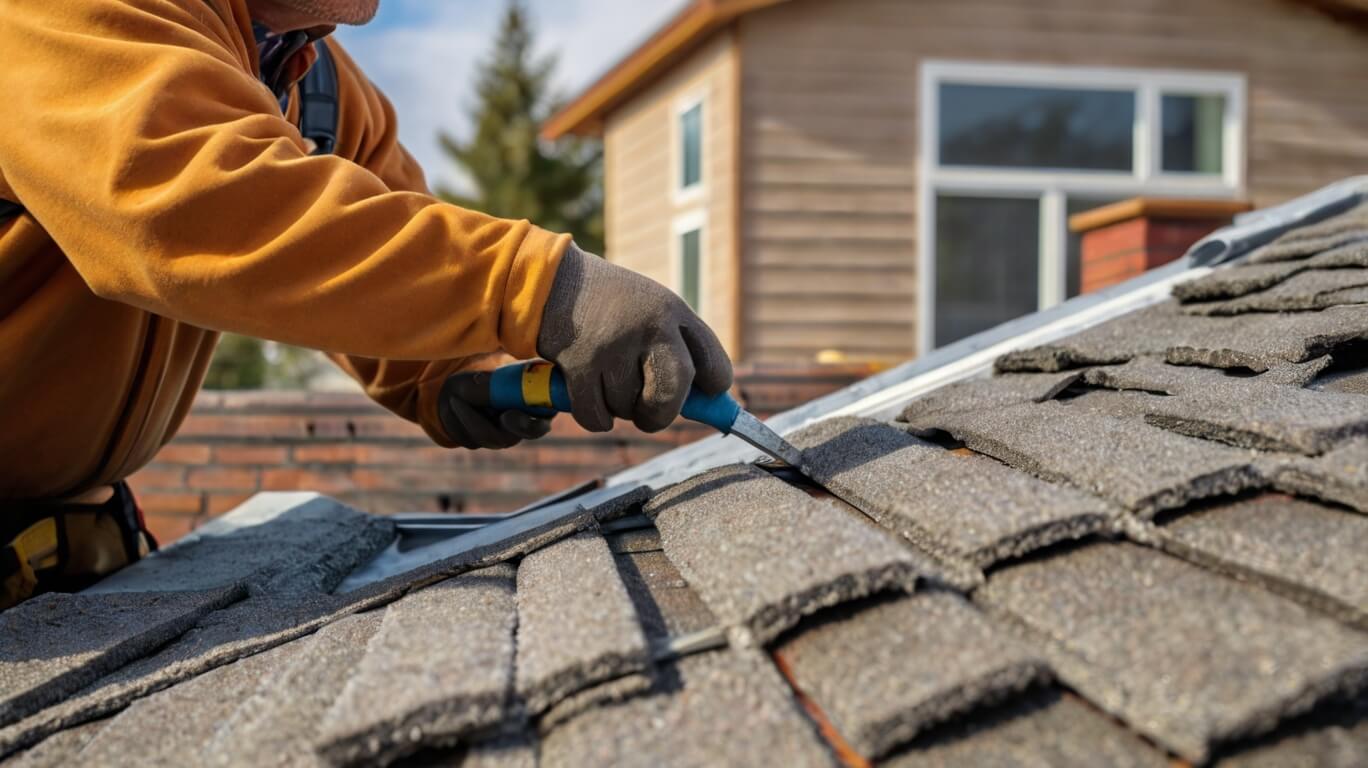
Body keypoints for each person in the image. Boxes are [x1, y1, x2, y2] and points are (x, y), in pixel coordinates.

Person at [0, 0, 732, 607]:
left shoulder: (311, 81)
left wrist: (454, 370)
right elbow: (183, 201)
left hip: (72, 549)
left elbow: (373, 235)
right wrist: (545, 288)